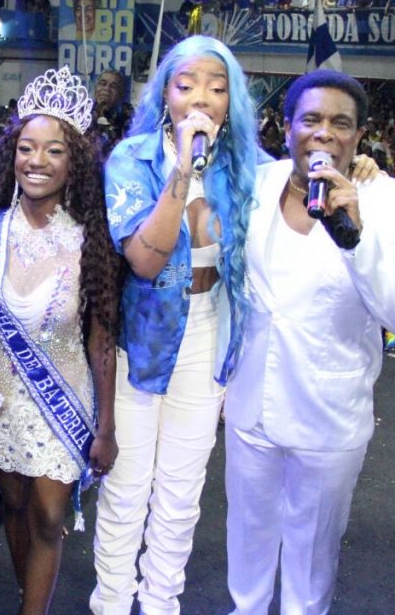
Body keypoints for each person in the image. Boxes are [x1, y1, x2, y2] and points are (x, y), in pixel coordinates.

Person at [223, 70, 395, 614]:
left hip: (328, 418)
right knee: (245, 548)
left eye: (341, 124)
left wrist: (357, 238)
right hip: (250, 410)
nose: (324, 134)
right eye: (311, 119)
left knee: (309, 565)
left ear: (359, 136)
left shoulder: (393, 205)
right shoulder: (258, 186)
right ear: (287, 126)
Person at [90, 35, 261, 615]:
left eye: (217, 87)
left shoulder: (250, 168)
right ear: (165, 92)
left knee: (181, 495)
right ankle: (111, 605)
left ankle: (161, 604)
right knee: (126, 490)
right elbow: (144, 258)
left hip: (209, 334)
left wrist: (358, 166)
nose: (201, 99)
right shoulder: (132, 158)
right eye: (186, 84)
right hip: (143, 343)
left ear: (231, 99)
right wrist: (182, 172)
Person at [0, 68, 119, 613]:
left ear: (73, 161)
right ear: (12, 153)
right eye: (27, 148)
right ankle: (25, 593)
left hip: (65, 395)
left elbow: (102, 338)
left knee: (50, 517)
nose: (37, 161)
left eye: (53, 151)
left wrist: (105, 426)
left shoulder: (89, 239)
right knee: (13, 507)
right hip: (3, 398)